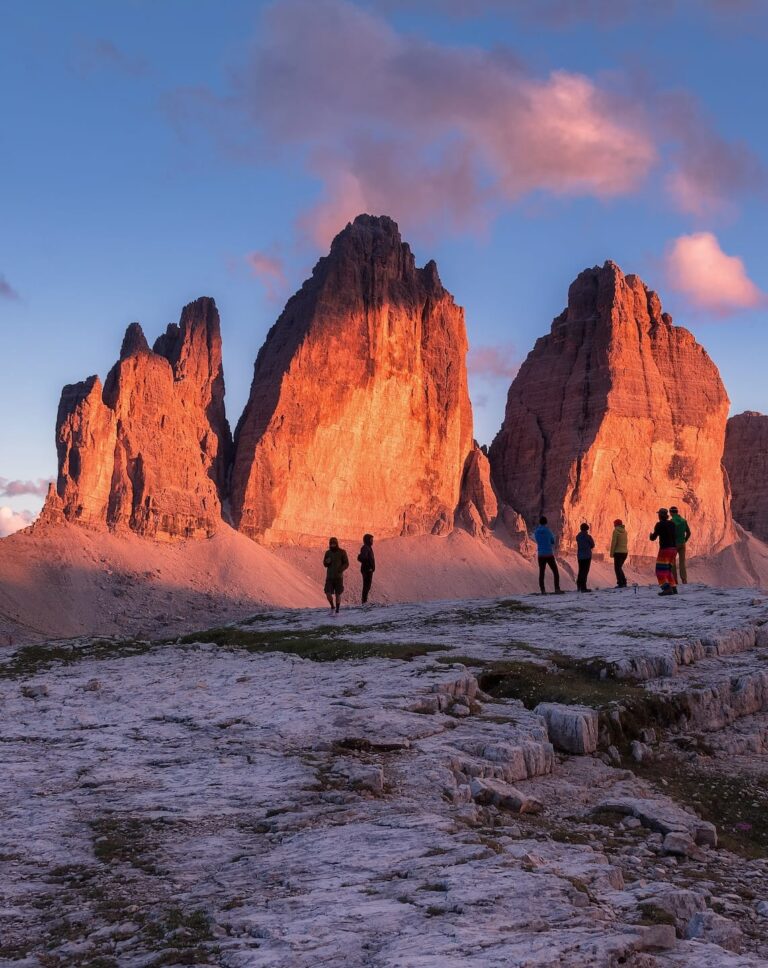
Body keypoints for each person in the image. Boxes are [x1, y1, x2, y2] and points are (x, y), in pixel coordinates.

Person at [649, 508, 678, 596]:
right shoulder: (672, 524)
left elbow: (653, 538)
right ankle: (673, 588)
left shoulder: (659, 524)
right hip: (673, 549)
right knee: (668, 570)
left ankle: (666, 589)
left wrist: (651, 535)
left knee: (660, 571)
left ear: (660, 516)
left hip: (665, 549)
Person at [533, 516, 563, 594]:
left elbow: (536, 540)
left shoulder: (536, 531)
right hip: (549, 554)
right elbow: (552, 541)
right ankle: (557, 589)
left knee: (542, 572)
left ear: (540, 522)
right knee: (555, 571)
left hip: (540, 555)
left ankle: (543, 590)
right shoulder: (548, 531)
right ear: (546, 522)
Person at [323, 537, 349, 614]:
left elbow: (346, 563)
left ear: (337, 543)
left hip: (338, 577)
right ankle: (332, 606)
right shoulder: (328, 553)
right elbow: (324, 564)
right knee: (327, 592)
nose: (333, 545)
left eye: (334, 543)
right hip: (329, 577)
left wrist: (341, 569)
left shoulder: (342, 552)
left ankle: (337, 609)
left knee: (338, 594)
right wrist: (327, 562)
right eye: (331, 543)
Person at [669, 505, 691, 584]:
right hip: (682, 544)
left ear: (671, 512)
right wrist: (685, 540)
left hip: (674, 544)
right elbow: (688, 533)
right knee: (682, 562)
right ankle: (684, 580)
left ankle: (675, 581)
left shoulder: (671, 521)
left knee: (673, 562)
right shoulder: (684, 521)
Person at [575, 522, 595, 592]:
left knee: (580, 571)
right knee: (585, 571)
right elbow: (593, 545)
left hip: (580, 556)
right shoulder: (588, 537)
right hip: (587, 556)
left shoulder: (577, 536)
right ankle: (584, 587)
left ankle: (579, 586)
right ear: (587, 529)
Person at [609, 518, 629, 588]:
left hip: (618, 552)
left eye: (614, 524)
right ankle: (623, 582)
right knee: (619, 567)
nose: (613, 525)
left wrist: (611, 553)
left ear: (616, 524)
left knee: (617, 568)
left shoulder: (615, 531)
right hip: (625, 552)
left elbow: (614, 542)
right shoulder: (625, 531)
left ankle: (620, 583)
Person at [357, 533, 375, 604]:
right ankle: (364, 601)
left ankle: (364, 601)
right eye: (371, 540)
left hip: (368, 569)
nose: (372, 541)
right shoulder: (365, 547)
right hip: (366, 570)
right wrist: (369, 567)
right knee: (366, 585)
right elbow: (363, 558)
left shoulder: (368, 547)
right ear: (367, 540)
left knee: (367, 585)